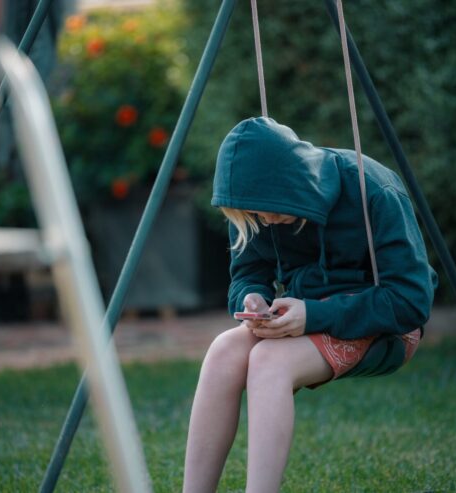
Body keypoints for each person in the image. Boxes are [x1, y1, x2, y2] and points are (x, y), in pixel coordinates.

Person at [182, 117, 437, 492]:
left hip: (385, 325)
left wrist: (315, 314)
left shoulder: (376, 191)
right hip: (308, 315)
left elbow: (411, 301)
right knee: (224, 350)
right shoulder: (255, 205)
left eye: (267, 209)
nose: (264, 219)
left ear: (291, 181)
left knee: (269, 361)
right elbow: (247, 273)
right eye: (253, 214)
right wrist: (252, 299)